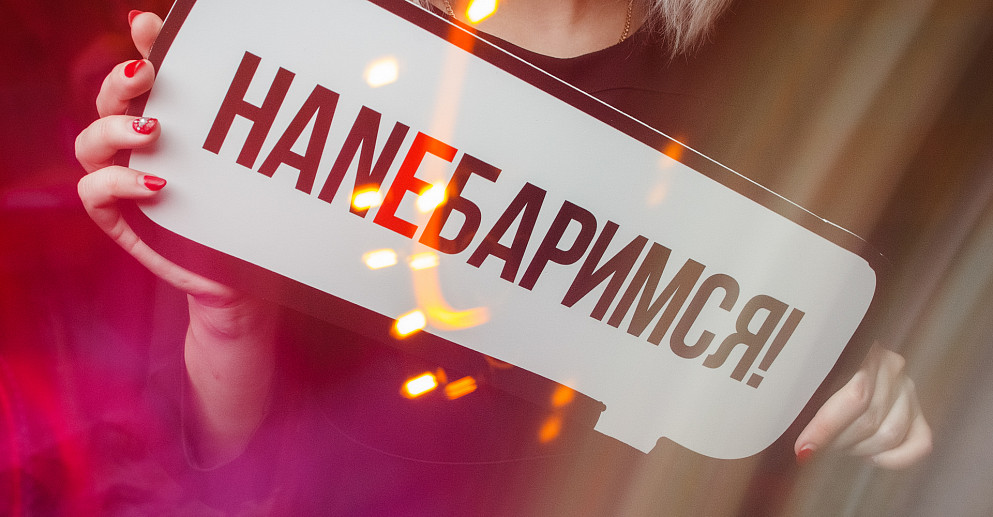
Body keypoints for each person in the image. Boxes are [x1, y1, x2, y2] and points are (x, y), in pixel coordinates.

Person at [75, 0, 932, 512]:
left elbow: (764, 406)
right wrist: (225, 313)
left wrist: (855, 395)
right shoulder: (319, 46)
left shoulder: (778, 92)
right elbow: (226, 466)